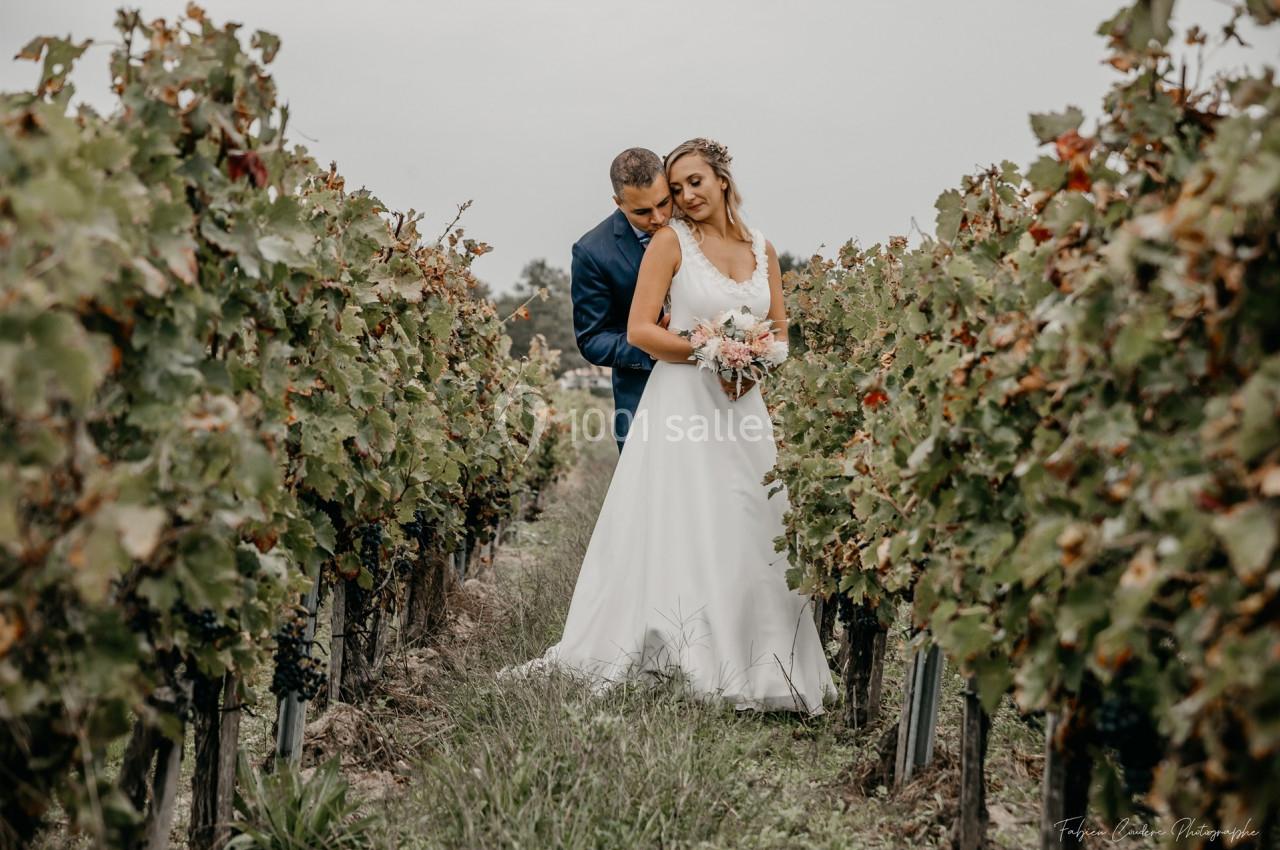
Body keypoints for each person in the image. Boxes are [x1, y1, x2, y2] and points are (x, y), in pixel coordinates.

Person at [501, 138, 835, 716]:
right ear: (621, 203)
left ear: (722, 181)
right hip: (676, 397)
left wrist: (753, 359)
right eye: (671, 192)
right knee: (680, 522)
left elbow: (780, 334)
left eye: (687, 187)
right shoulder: (657, 244)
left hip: (744, 405)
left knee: (750, 518)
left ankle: (766, 659)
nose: (676, 203)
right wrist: (710, 351)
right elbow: (625, 334)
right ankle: (687, 654)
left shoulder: (763, 247)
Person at [570, 148, 673, 452]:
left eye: (664, 203)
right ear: (618, 203)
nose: (659, 218)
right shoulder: (592, 252)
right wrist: (652, 343)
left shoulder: (698, 225)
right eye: (642, 212)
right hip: (642, 396)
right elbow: (591, 338)